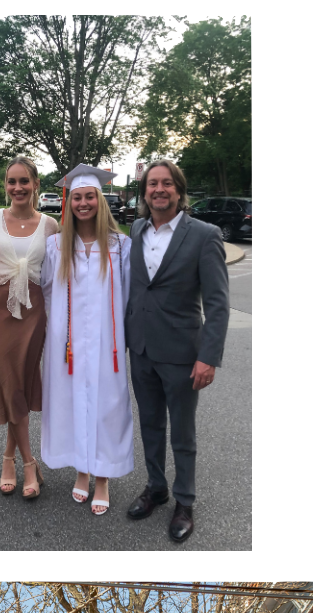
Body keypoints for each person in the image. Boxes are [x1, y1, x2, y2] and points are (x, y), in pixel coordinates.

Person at [123, 159, 230, 544]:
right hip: (142, 349)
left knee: (182, 434)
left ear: (179, 190)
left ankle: (184, 501)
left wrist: (209, 357)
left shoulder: (204, 235)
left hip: (184, 353)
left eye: (167, 183)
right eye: (153, 184)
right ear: (145, 191)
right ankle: (156, 487)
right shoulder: (136, 229)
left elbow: (218, 304)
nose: (159, 190)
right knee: (150, 425)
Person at [39, 165, 136, 518]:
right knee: (70, 404)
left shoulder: (120, 246)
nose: (83, 203)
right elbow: (47, 291)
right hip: (68, 345)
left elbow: (127, 296)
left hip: (106, 344)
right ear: (70, 201)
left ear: (100, 200)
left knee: (107, 407)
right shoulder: (55, 246)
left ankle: (103, 478)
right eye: (77, 197)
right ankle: (81, 469)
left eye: (89, 197)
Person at [0, 156, 59, 501]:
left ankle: (10, 457)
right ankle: (27, 461)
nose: (18, 188)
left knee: (19, 385)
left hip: (33, 313)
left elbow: (57, 276)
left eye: (25, 181)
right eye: (12, 181)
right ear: (6, 185)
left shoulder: (51, 225)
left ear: (36, 184)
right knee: (8, 383)